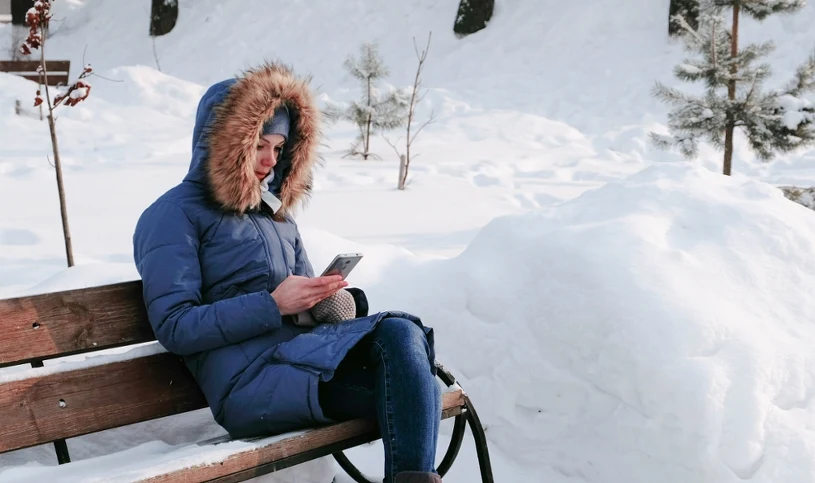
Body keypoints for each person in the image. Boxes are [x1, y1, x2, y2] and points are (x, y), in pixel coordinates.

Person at [131, 62, 443, 483]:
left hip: (300, 363)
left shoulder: (274, 215)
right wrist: (272, 305)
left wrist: (328, 300)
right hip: (248, 385)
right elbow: (175, 325)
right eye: (260, 144)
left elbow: (302, 300)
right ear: (222, 142)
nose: (269, 161)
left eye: (279, 148)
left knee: (402, 336)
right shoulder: (172, 215)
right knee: (410, 395)